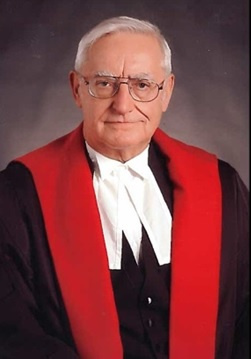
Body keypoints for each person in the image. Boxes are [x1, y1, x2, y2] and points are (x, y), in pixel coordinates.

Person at [0, 16, 249, 359]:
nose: (123, 105)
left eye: (143, 85)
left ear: (167, 92)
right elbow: (12, 329)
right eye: (104, 83)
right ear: (76, 89)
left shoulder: (222, 186)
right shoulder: (17, 193)